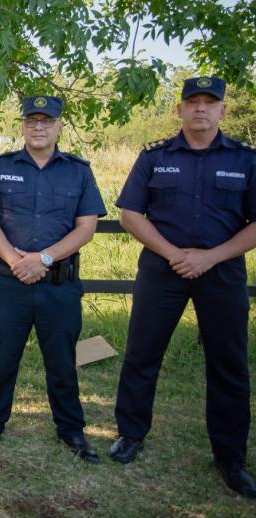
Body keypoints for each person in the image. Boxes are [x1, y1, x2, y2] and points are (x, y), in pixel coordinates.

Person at [110, 76, 256, 498]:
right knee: (141, 355)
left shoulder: (246, 159)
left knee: (229, 365)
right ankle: (130, 435)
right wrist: (174, 253)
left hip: (222, 270)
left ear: (223, 111)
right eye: (193, 101)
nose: (201, 109)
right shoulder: (155, 156)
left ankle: (230, 457)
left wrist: (209, 257)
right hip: (162, 269)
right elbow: (130, 214)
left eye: (211, 103)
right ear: (180, 109)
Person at [0, 95, 106, 463]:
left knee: (62, 361)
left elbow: (87, 227)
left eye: (47, 121)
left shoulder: (78, 170)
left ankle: (72, 431)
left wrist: (43, 259)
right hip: (9, 283)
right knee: (1, 358)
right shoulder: (0, 167)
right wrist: (17, 261)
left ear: (60, 126)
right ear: (24, 126)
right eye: (32, 120)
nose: (39, 127)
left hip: (58, 285)